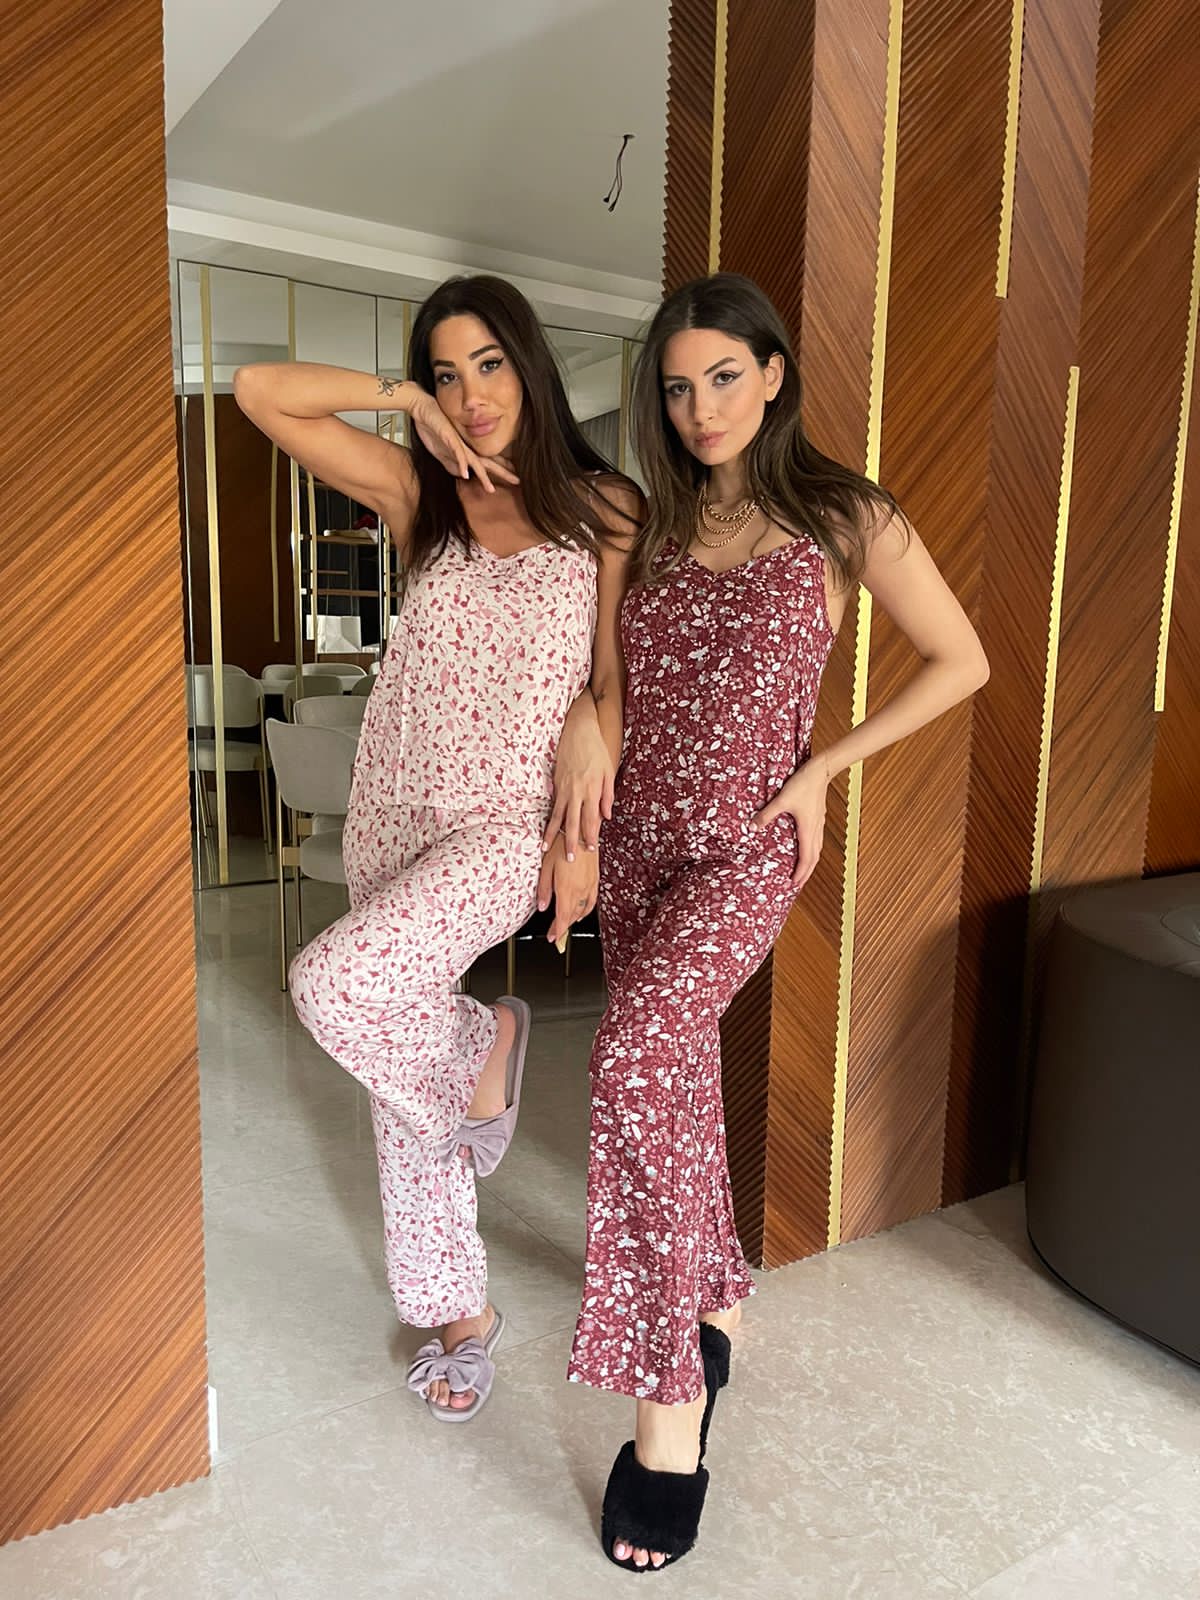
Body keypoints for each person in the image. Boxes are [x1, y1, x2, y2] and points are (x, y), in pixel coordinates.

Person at [551, 273, 989, 1570]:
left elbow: (959, 660)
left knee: (631, 1061)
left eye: (723, 378)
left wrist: (822, 769)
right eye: (677, 389)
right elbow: (610, 685)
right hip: (635, 842)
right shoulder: (649, 523)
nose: (699, 409)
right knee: (672, 1077)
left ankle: (669, 1410)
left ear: (774, 373)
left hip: (750, 843)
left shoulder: (846, 517)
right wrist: (583, 740)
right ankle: (721, 1296)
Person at [233, 274, 639, 1423]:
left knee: (335, 986)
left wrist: (580, 826)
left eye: (488, 365)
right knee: (392, 1058)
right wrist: (398, 396)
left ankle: (479, 1034)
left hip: (507, 820)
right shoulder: (425, 494)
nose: (473, 393)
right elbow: (260, 390)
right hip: (393, 808)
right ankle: (456, 1307)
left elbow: (612, 680)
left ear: (531, 364)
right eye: (448, 372)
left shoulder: (607, 508)